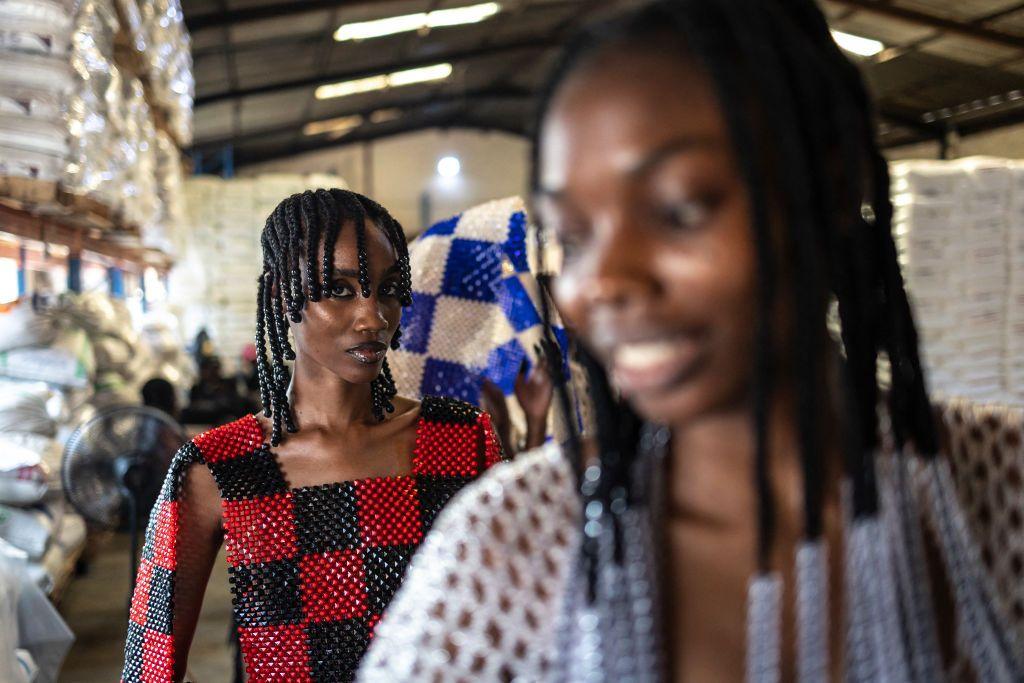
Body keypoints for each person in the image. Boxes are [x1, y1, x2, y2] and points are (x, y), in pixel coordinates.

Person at [358, 2, 1021, 682]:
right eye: (576, 236)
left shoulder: (1002, 492)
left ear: (833, 185)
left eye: (679, 209)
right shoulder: (511, 551)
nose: (603, 282)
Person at [121, 189, 504, 682]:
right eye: (341, 290)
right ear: (282, 295)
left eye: (387, 289)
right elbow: (149, 664)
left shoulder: (459, 439)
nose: (374, 318)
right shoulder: (219, 468)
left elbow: (512, 621)